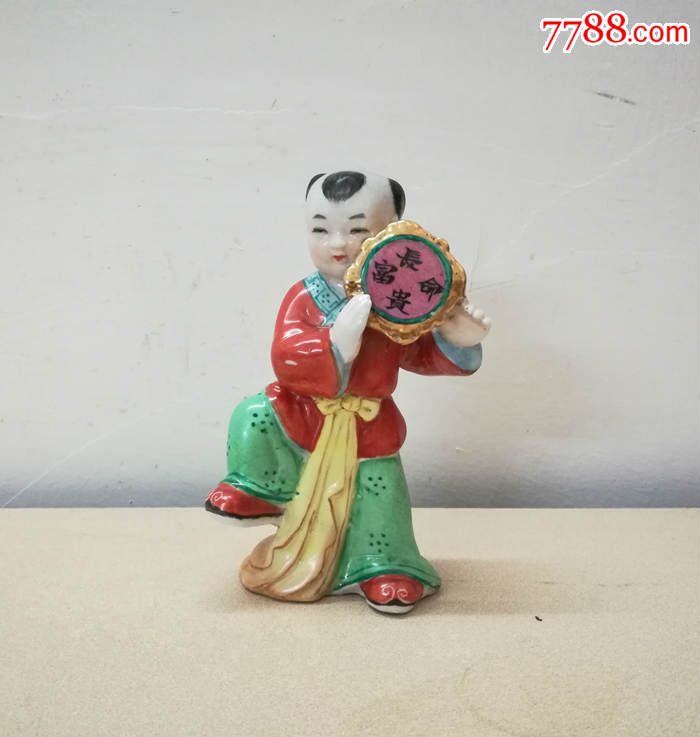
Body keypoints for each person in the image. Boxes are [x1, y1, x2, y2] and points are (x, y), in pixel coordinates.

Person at [205, 170, 490, 614]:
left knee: (379, 493)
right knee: (255, 413)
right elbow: (285, 351)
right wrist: (336, 343)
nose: (337, 244)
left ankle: (384, 565)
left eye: (357, 230)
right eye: (320, 230)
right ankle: (258, 489)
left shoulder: (397, 299)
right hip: (306, 414)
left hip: (367, 424)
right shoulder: (305, 295)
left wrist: (458, 338)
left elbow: (418, 353)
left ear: (392, 232)